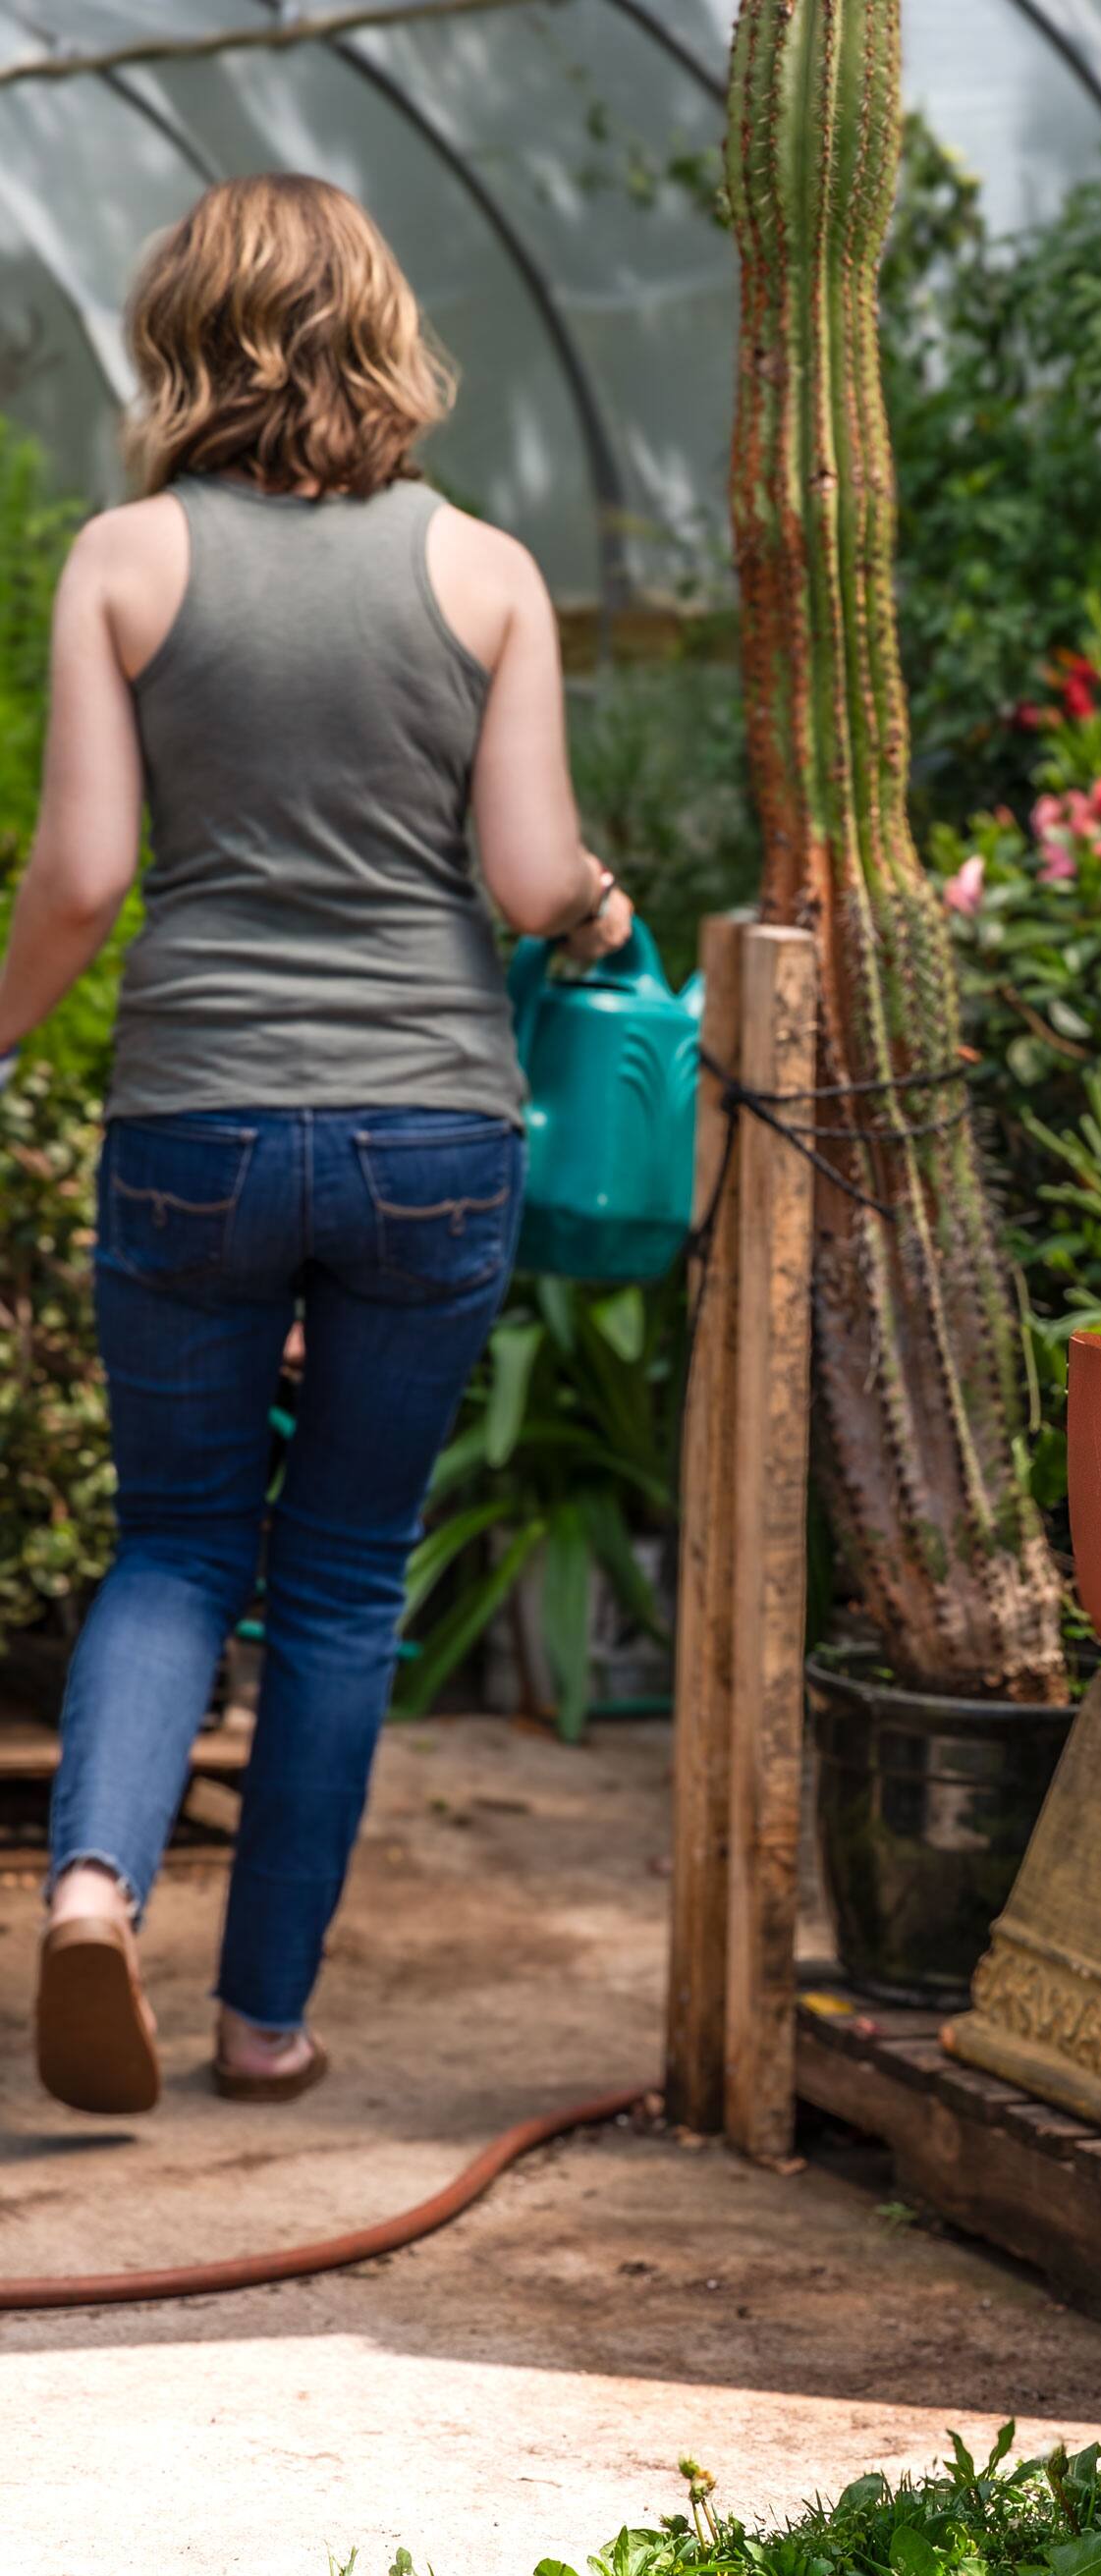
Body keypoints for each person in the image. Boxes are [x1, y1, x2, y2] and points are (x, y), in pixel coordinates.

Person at [0, 175, 633, 2110]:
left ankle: (92, 1888)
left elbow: (83, 877)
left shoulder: (123, 562)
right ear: (381, 332)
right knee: (345, 1579)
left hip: (195, 1121)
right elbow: (527, 876)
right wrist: (601, 906)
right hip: (429, 1131)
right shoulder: (487, 571)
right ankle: (262, 2021)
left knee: (177, 1543)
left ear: (180, 340)